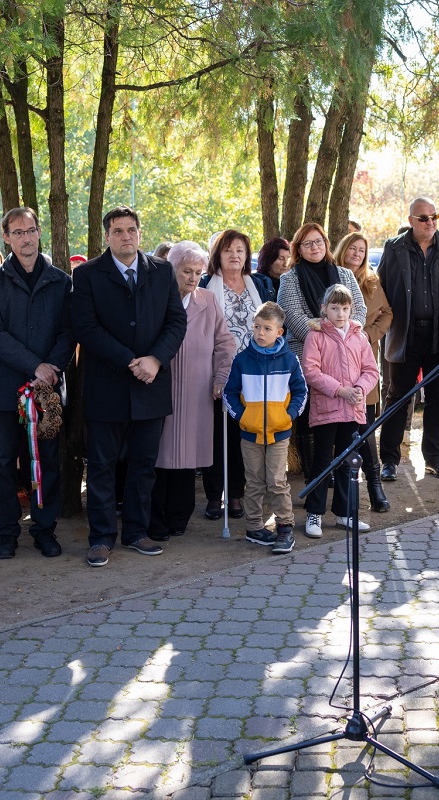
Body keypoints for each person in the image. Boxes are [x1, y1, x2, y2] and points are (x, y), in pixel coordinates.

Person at [71, 206, 187, 568]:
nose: (126, 236)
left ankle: (136, 532)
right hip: (106, 385)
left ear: (140, 233)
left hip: (151, 383)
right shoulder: (87, 274)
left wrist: (156, 360)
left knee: (143, 465)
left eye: (131, 230)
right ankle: (101, 537)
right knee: (102, 466)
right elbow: (86, 327)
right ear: (107, 236)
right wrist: (129, 360)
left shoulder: (162, 271)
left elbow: (176, 321)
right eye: (118, 231)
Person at [0, 207, 74, 558]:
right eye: (17, 233)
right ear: (6, 238)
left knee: (46, 459)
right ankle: (6, 532)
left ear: (39, 233)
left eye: (30, 230)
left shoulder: (61, 281)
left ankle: (45, 529)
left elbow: (69, 331)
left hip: (47, 390)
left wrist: (49, 369)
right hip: (6, 389)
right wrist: (35, 365)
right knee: (4, 461)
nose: (26, 238)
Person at [376, 198, 439, 481]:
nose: (430, 222)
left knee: (437, 399)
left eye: (434, 216)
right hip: (405, 335)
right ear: (411, 220)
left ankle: (434, 459)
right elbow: (380, 290)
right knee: (397, 397)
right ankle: (389, 461)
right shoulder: (394, 247)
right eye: (423, 218)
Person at [150, 242, 235, 540]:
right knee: (159, 455)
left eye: (198, 272)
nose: (193, 278)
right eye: (187, 271)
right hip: (160, 387)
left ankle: (179, 517)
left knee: (187, 456)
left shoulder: (208, 300)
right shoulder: (155, 297)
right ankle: (156, 518)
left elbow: (225, 342)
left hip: (198, 390)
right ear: (171, 269)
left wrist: (221, 376)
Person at [197, 229, 275, 521]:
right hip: (217, 372)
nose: (234, 255)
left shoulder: (260, 284)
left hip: (253, 373)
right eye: (228, 250)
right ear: (217, 255)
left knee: (245, 436)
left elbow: (272, 323)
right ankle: (214, 496)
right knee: (218, 437)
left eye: (240, 250)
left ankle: (237, 495)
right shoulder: (206, 286)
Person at [277, 222, 365, 480]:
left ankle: (341, 471)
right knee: (309, 416)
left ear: (326, 244)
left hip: (346, 358)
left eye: (318, 242)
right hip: (308, 355)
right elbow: (293, 317)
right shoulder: (289, 279)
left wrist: (343, 339)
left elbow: (359, 310)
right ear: (298, 249)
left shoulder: (345, 275)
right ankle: (315, 475)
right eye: (307, 243)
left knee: (343, 416)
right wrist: (327, 341)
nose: (314, 247)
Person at [223, 301, 307, 555]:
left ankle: (284, 527)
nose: (260, 333)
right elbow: (230, 393)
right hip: (250, 434)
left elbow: (301, 391)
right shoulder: (242, 360)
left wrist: (288, 416)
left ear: (279, 332)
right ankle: (254, 527)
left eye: (267, 328)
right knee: (254, 482)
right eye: (257, 326)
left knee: (277, 481)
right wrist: (243, 417)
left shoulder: (289, 360)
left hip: (279, 433)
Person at [300, 284, 379, 539]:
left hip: (352, 409)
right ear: (324, 309)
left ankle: (345, 512)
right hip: (327, 408)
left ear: (351, 309)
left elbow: (371, 370)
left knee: (347, 461)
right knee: (323, 461)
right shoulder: (316, 335)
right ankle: (314, 513)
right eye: (335, 308)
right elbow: (311, 371)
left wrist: (360, 388)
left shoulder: (359, 336)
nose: (340, 314)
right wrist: (340, 390)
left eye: (345, 308)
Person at [333, 231, 392, 512]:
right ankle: (338, 491)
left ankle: (374, 486)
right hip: (333, 363)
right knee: (336, 430)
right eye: (352, 248)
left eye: (361, 250)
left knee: (365, 426)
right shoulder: (331, 276)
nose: (357, 254)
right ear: (343, 249)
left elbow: (387, 313)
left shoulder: (371, 282)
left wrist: (369, 334)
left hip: (363, 361)